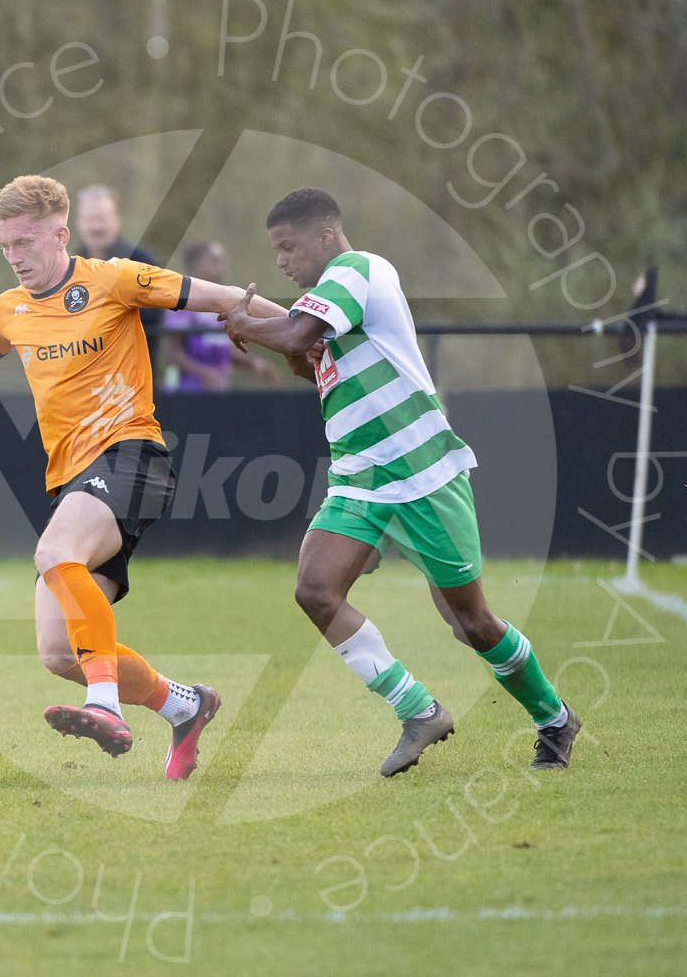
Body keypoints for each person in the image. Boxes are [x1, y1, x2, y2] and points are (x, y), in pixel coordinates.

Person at [0, 175, 302, 778]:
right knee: (59, 651)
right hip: (74, 481)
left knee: (54, 550)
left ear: (60, 234)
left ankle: (104, 706)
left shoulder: (113, 278)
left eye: (24, 242)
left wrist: (307, 333)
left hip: (134, 457)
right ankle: (185, 705)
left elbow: (225, 296)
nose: (14, 257)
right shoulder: (9, 310)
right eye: (5, 247)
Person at [219, 188, 580, 777]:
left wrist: (249, 322)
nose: (281, 261)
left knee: (472, 624)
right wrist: (263, 330)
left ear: (326, 236)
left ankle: (554, 718)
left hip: (420, 474)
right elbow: (301, 358)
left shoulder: (357, 270)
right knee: (315, 590)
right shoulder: (323, 299)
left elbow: (289, 337)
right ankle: (418, 709)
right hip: (361, 477)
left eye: (288, 247)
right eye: (275, 251)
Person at [161, 241, 282, 392]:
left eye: (222, 261)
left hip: (217, 394)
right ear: (193, 267)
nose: (222, 267)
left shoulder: (222, 306)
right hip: (184, 394)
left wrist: (255, 363)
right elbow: (171, 352)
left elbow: (221, 346)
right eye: (214, 261)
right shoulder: (181, 304)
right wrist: (206, 375)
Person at [74, 184, 164, 359]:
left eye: (102, 218)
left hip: (133, 372)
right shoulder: (70, 264)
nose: (96, 227)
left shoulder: (141, 261)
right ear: (78, 223)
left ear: (117, 220)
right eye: (89, 219)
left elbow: (156, 312)